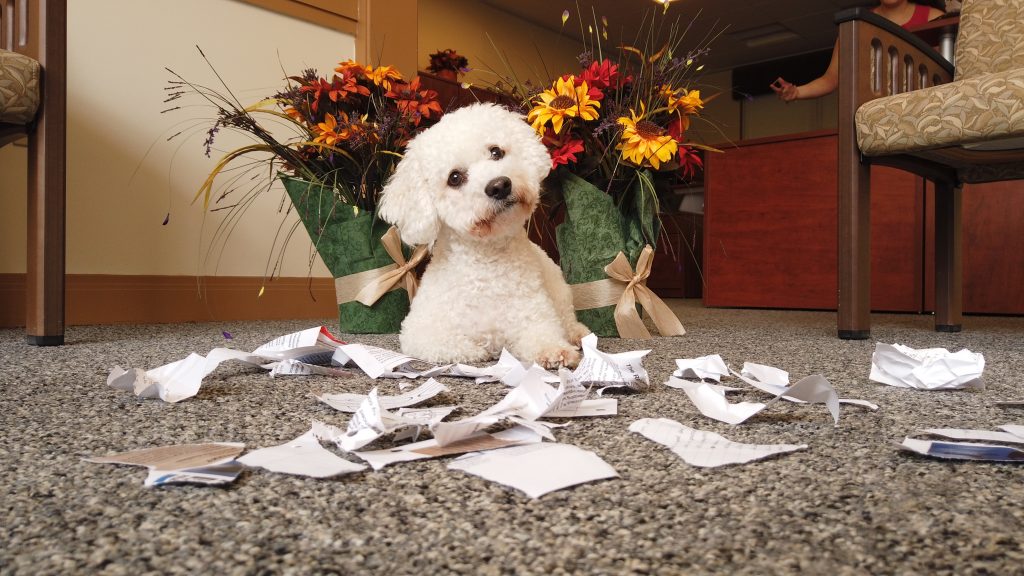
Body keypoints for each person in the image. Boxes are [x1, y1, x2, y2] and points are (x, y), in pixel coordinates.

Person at [770, 0, 946, 102]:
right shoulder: (856, 25)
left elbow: (945, 77)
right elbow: (831, 78)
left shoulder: (935, 19)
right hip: (875, 117)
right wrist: (797, 92)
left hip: (922, 111)